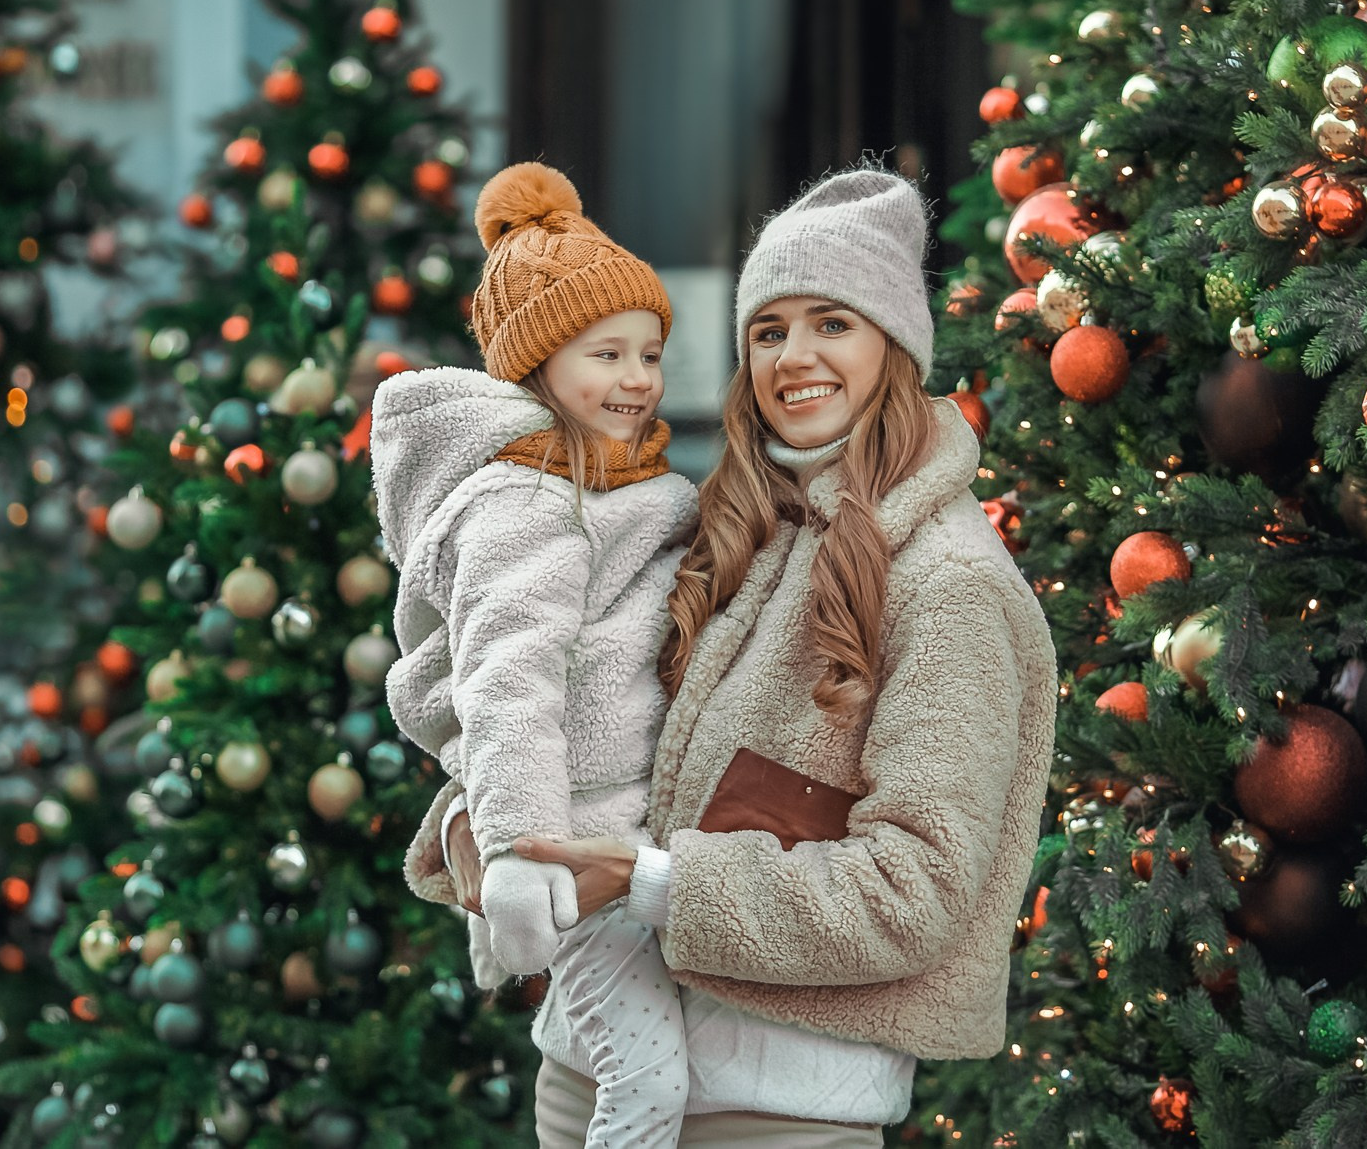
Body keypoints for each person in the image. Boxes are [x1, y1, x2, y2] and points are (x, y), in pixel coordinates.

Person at [446, 167, 1059, 1145]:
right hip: (589, 1073)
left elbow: (916, 892)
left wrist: (655, 882)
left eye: (831, 323)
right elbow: (584, 721)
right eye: (768, 330)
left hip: (771, 1112)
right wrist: (482, 829)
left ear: (894, 344)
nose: (793, 357)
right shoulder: (733, 528)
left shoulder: (950, 586)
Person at [373, 162, 699, 1149]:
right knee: (647, 1089)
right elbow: (507, 679)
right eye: (605, 353)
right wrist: (516, 849)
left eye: (648, 352)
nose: (638, 378)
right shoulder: (526, 502)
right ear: (539, 366)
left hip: (619, 842)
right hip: (573, 848)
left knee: (607, 1069)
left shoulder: (604, 486)